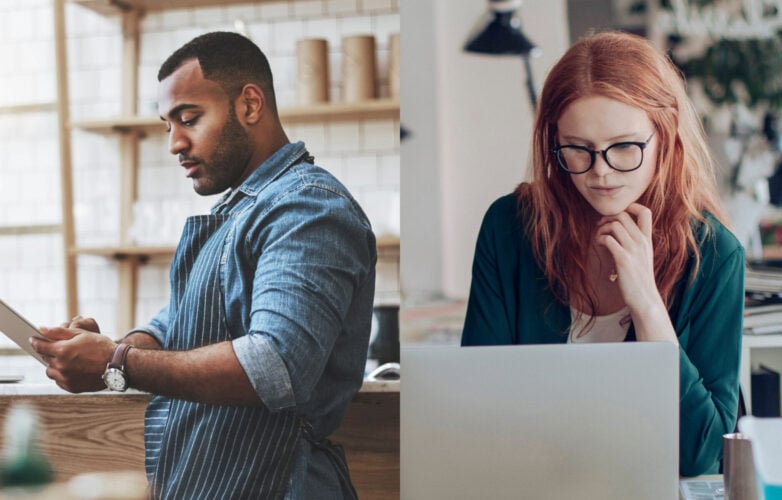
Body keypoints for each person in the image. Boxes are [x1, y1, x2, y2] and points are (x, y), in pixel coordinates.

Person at [31, 31, 376, 499]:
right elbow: (172, 328)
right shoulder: (242, 210)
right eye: (167, 125)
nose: (175, 143)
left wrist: (115, 363)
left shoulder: (308, 208)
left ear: (249, 105)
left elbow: (273, 366)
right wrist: (105, 347)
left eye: (188, 119)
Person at [461, 31, 744, 477]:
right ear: (554, 144)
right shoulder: (510, 227)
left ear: (665, 138)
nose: (601, 172)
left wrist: (648, 304)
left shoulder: (715, 256)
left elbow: (702, 454)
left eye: (625, 148)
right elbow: (474, 407)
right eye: (578, 150)